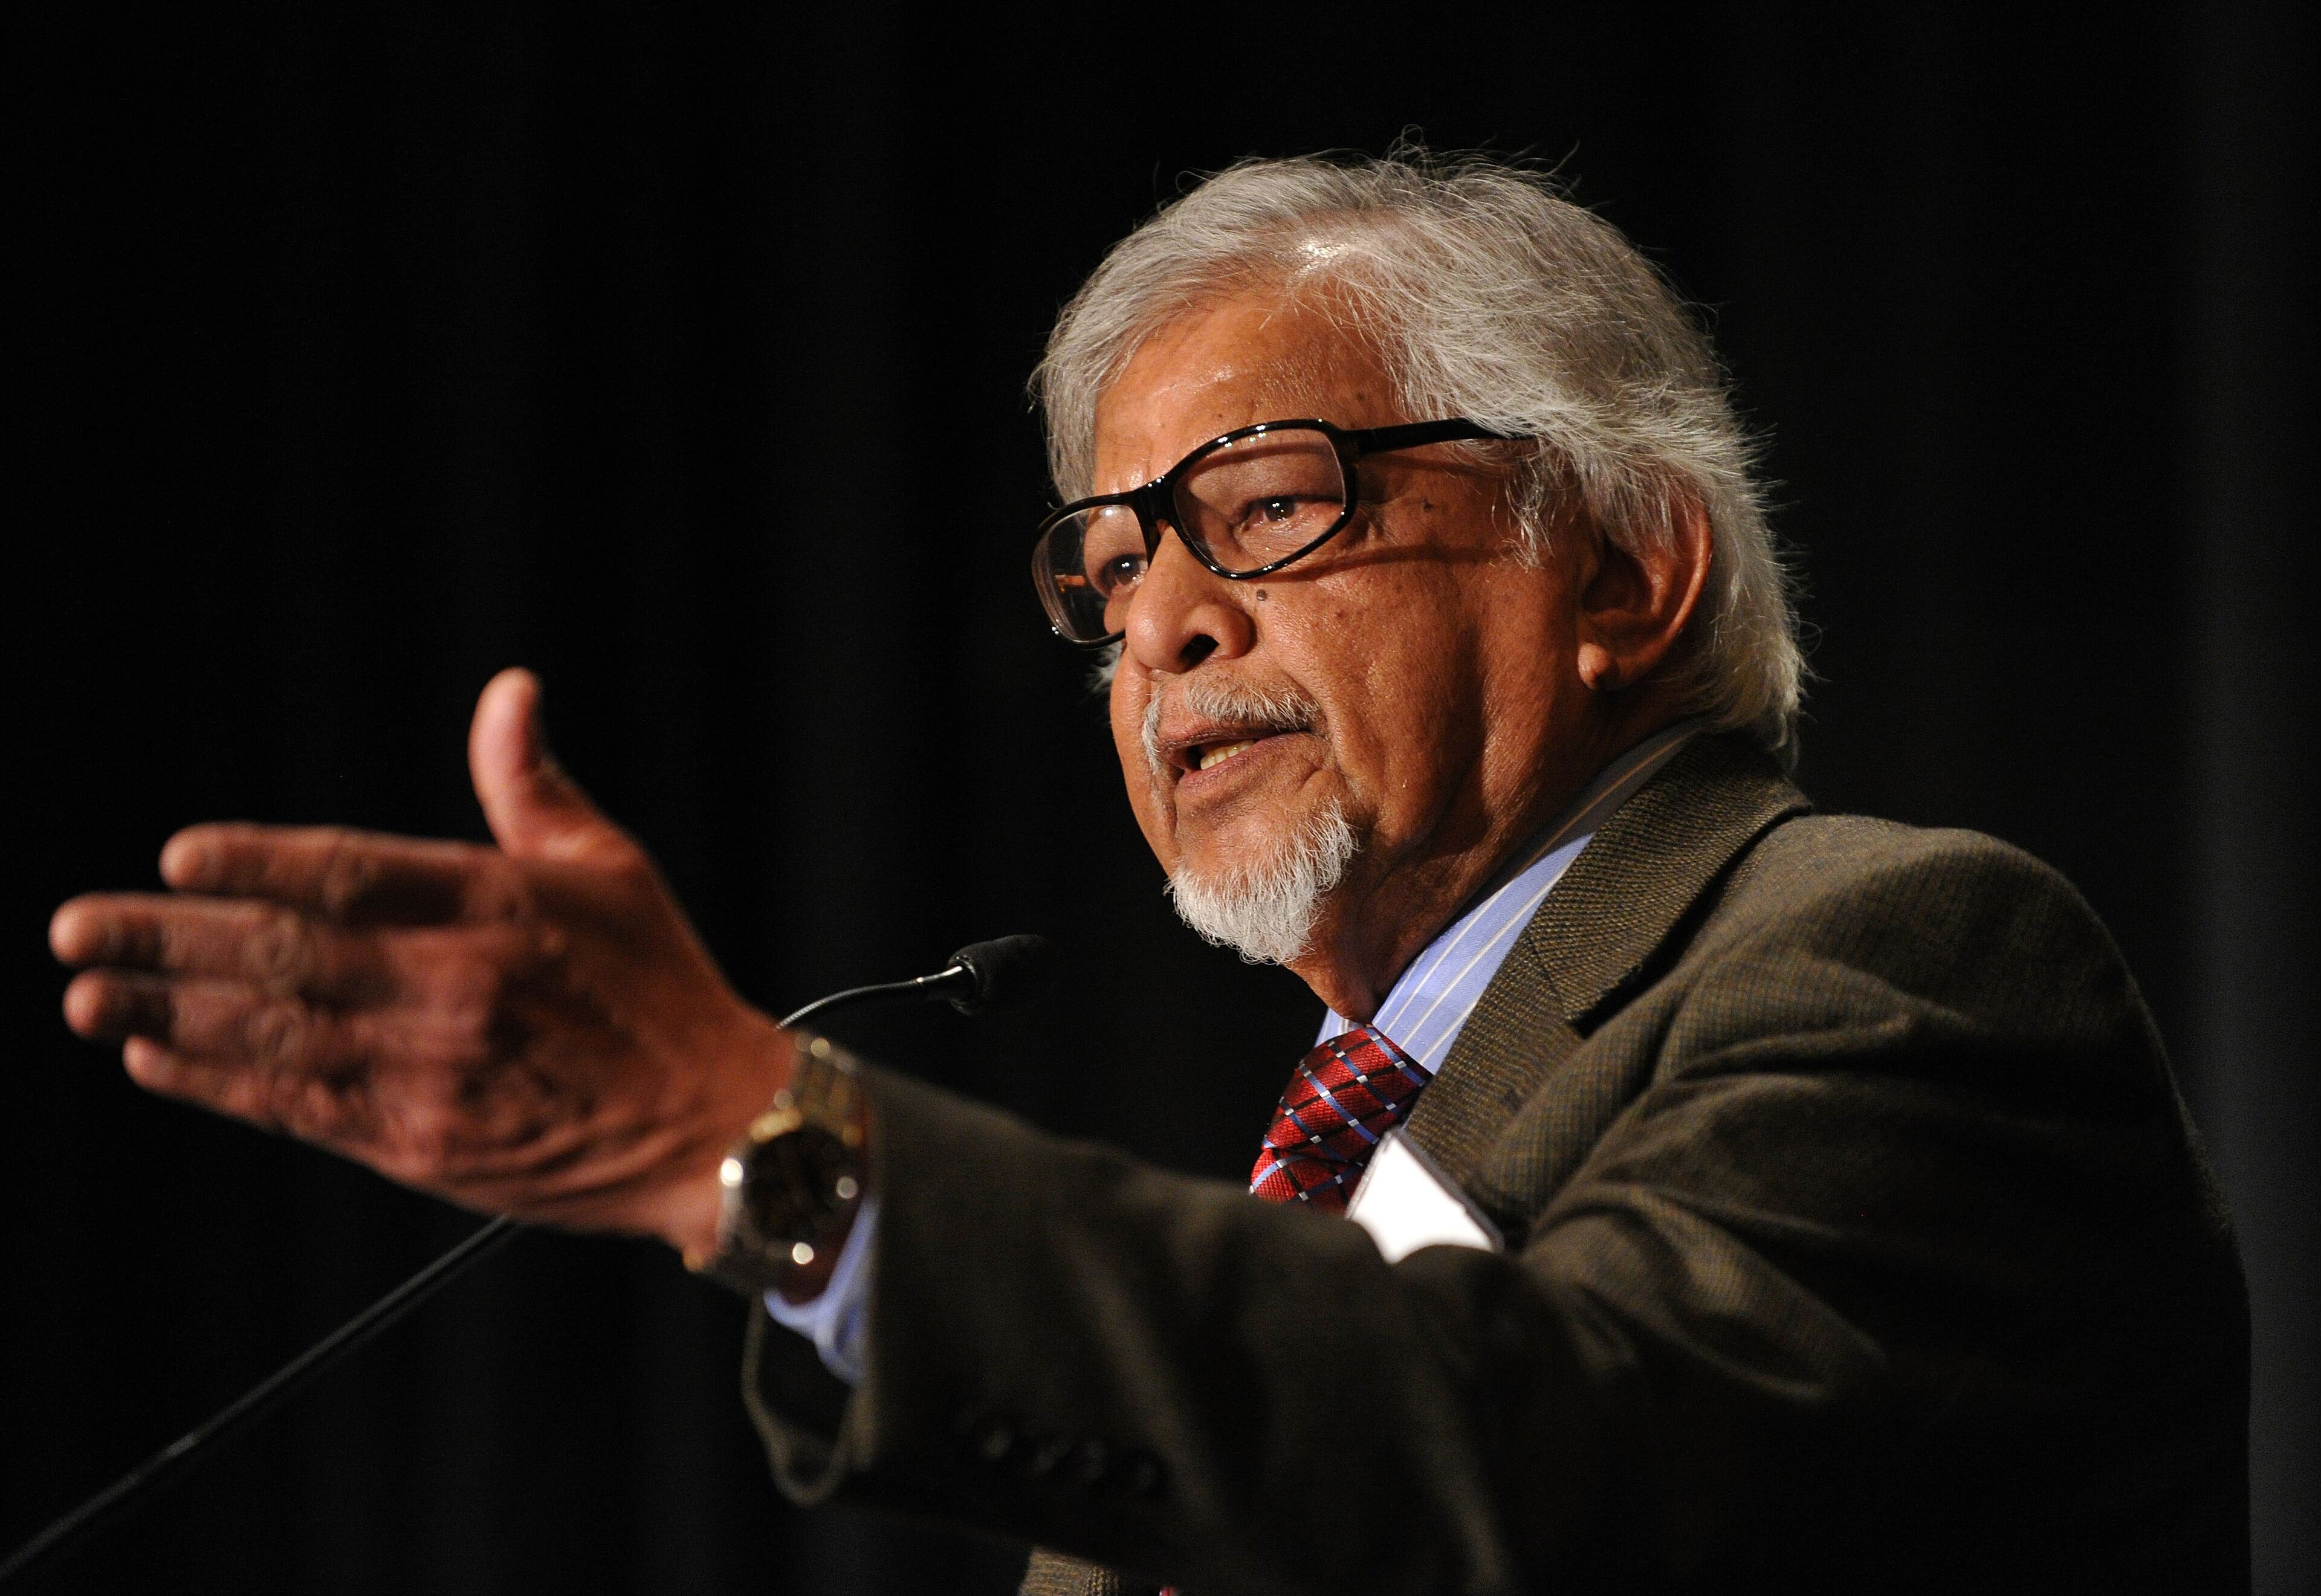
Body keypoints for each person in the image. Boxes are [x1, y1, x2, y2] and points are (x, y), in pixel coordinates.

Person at [50, 153, 2247, 1593]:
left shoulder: (1895, 961)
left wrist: (753, 1144)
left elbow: (1524, 1456)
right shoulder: (1311, 1168)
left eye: (1271, 502)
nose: (1164, 628)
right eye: (1112, 568)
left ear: (1626, 569)